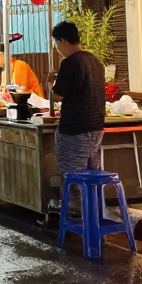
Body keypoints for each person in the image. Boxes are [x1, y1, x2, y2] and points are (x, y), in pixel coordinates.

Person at [50, 20, 106, 180]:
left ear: (63, 41)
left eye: (57, 44)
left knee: (73, 177)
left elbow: (58, 95)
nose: (58, 49)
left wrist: (50, 87)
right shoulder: (95, 60)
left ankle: (75, 206)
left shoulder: (70, 62)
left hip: (75, 130)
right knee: (91, 175)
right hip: (96, 128)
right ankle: (93, 205)